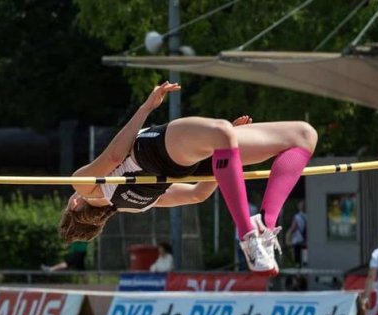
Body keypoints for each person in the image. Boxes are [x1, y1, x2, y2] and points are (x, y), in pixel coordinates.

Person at [59, 81, 318, 274]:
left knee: (302, 135)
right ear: (74, 204)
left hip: (187, 162)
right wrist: (146, 107)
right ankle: (248, 235)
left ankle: (264, 226)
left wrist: (223, 154)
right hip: (155, 149)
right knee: (225, 130)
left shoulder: (136, 205)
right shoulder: (83, 186)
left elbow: (198, 193)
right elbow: (116, 155)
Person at [286, 201, 308, 267]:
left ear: (299, 207)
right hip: (306, 241)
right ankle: (305, 269)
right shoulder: (310, 216)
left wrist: (288, 236)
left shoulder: (297, 217)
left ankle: (298, 272)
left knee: (297, 259)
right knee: (305, 259)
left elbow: (293, 228)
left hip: (298, 240)